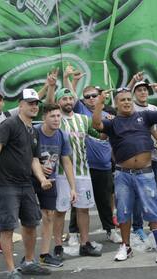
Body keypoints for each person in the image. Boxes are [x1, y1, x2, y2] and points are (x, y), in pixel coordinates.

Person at [92, 86, 157, 263]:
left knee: (153, 211)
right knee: (123, 212)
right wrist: (99, 103)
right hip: (123, 175)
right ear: (117, 104)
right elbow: (96, 125)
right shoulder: (112, 123)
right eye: (122, 100)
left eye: (129, 99)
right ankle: (126, 247)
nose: (126, 102)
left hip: (145, 173)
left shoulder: (145, 116)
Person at [0, 89, 51, 278]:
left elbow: (34, 160)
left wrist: (42, 179)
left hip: (26, 184)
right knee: (7, 227)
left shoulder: (33, 131)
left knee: (31, 224)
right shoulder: (9, 124)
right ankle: (11, 270)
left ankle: (29, 262)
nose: (34, 106)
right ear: (20, 105)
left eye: (36, 103)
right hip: (6, 185)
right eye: (30, 103)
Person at [46, 88, 102, 258]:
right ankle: (57, 246)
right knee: (60, 210)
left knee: (83, 209)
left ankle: (84, 244)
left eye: (71, 98)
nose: (68, 101)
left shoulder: (84, 119)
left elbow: (99, 133)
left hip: (83, 172)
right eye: (64, 99)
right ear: (58, 102)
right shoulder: (55, 120)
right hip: (61, 174)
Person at [33, 103, 77, 267]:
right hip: (30, 179)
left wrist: (73, 188)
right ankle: (28, 257)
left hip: (50, 180)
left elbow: (66, 163)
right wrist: (38, 168)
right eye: (52, 116)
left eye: (58, 116)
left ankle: (44, 255)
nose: (57, 119)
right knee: (29, 220)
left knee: (49, 215)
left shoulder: (62, 136)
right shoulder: (34, 131)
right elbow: (26, 156)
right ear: (44, 117)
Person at [72, 84, 116, 242]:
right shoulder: (79, 111)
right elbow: (70, 94)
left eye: (94, 95)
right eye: (87, 96)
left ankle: (110, 230)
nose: (90, 99)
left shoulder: (108, 116)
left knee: (104, 200)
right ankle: (73, 232)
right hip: (83, 165)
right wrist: (70, 79)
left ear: (100, 96)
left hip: (103, 165)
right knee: (77, 201)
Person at [131, 80, 157, 241]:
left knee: (154, 195)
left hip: (154, 158)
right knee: (137, 195)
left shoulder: (154, 110)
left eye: (145, 89)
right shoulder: (130, 108)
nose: (143, 92)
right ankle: (137, 227)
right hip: (137, 159)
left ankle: (155, 227)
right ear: (134, 93)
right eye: (139, 90)